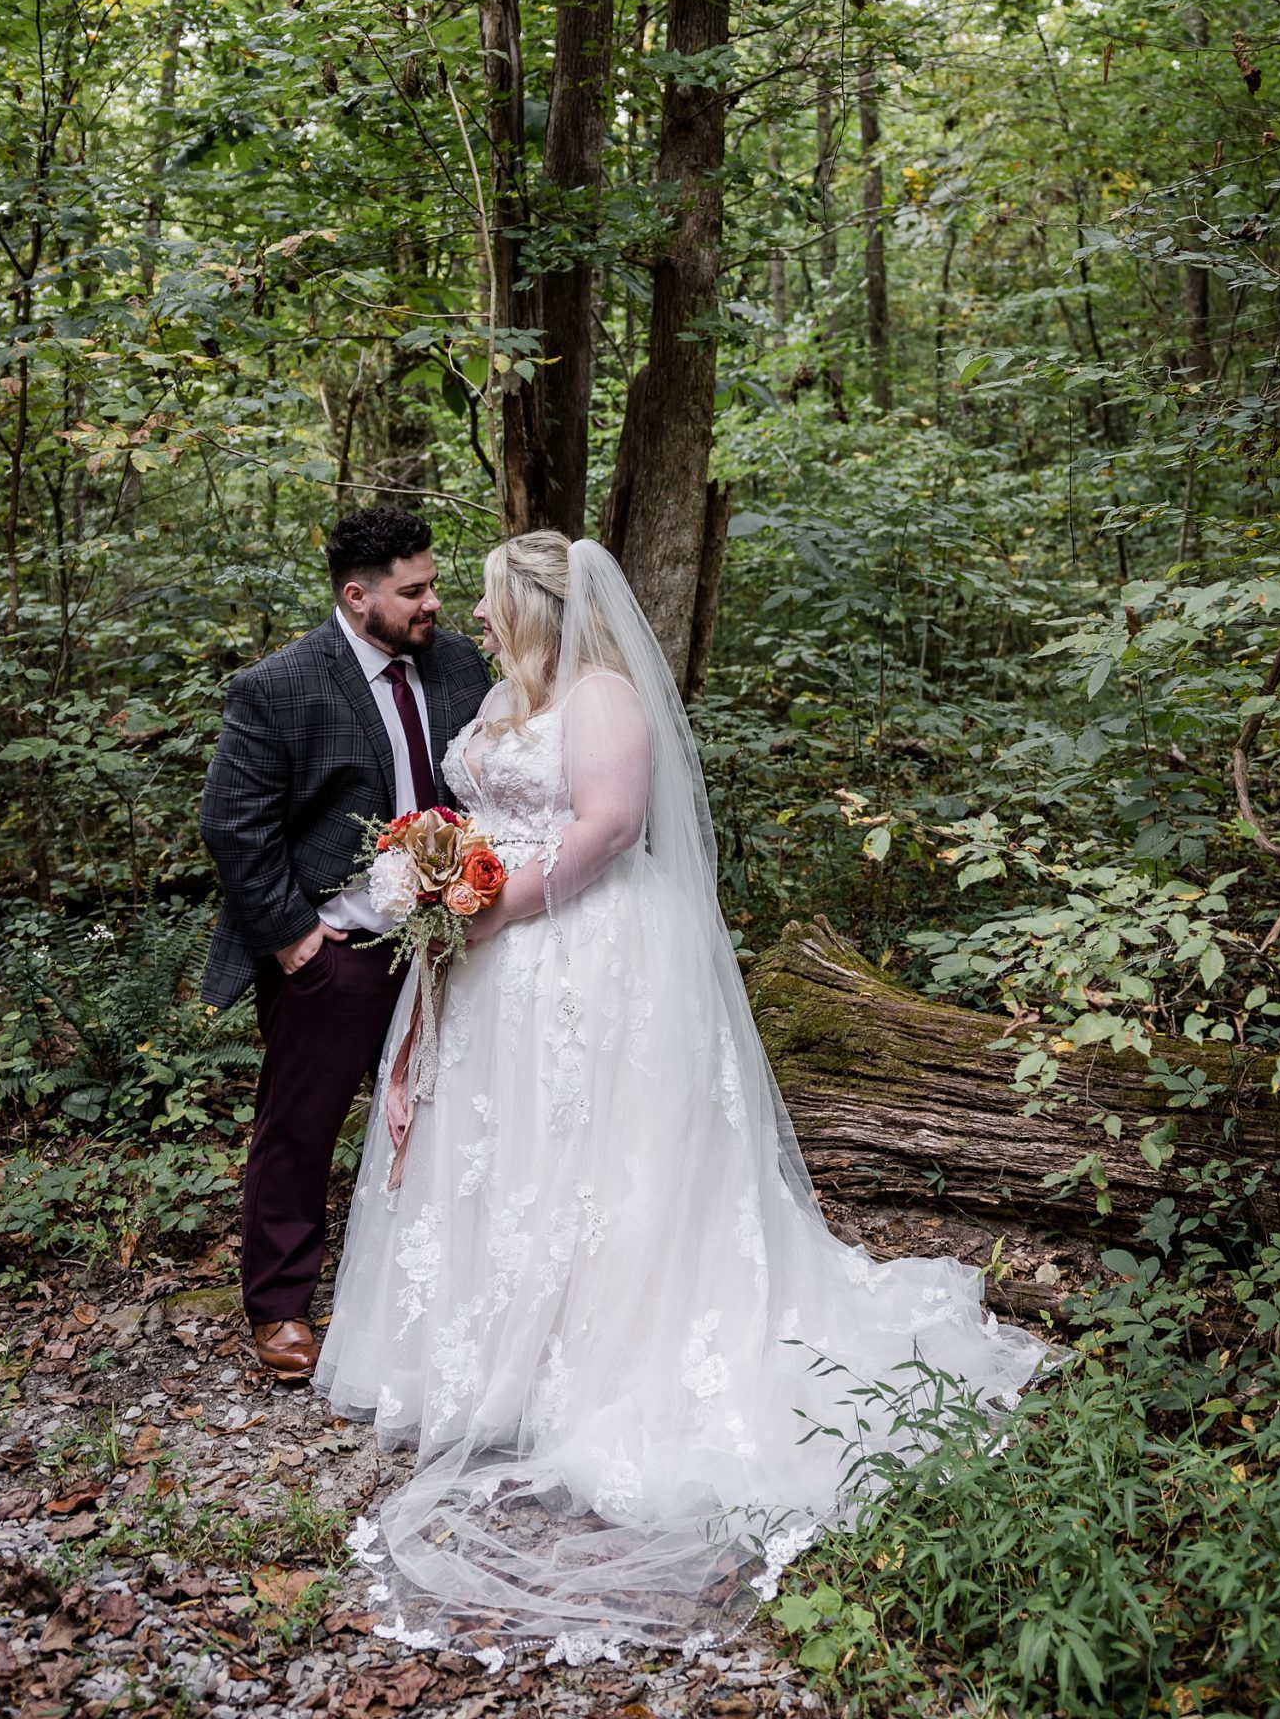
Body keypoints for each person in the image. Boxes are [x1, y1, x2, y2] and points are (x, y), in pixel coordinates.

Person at [315, 530, 1041, 1659]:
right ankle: (486, 1354)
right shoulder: (508, 691)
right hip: (486, 958)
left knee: (596, 1157)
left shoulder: (602, 698)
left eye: (499, 601)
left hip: (581, 947)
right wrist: (436, 874)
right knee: (499, 1157)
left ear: (544, 607)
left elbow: (605, 829)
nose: (480, 617)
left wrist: (498, 907)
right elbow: (469, 811)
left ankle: (595, 1353)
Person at [200, 508, 488, 1382]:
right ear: (356, 597)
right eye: (414, 590)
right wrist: (294, 943)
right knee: (301, 1125)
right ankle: (280, 1307)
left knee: (451, 1120)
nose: (434, 601)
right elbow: (232, 826)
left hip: (452, 943)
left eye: (433, 582)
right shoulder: (280, 686)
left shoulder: (457, 665)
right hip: (338, 950)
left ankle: (438, 1294)